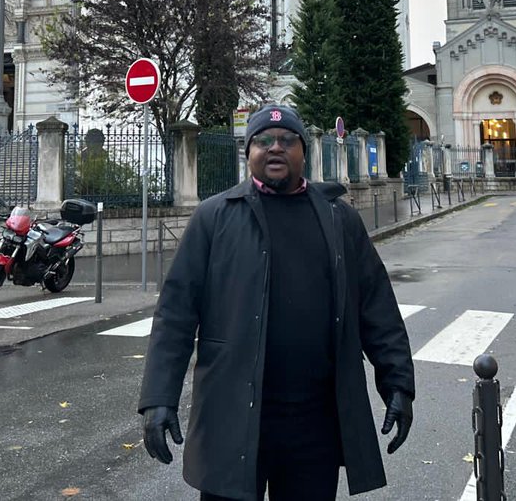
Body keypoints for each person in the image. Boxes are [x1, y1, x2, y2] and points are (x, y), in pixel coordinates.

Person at [139, 104, 414, 500]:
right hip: (230, 417)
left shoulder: (340, 220)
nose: (275, 148)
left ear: (303, 150)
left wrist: (398, 383)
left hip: (314, 425)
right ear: (248, 152)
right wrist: (158, 398)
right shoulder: (214, 218)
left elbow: (377, 309)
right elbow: (175, 315)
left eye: (287, 140)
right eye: (263, 141)